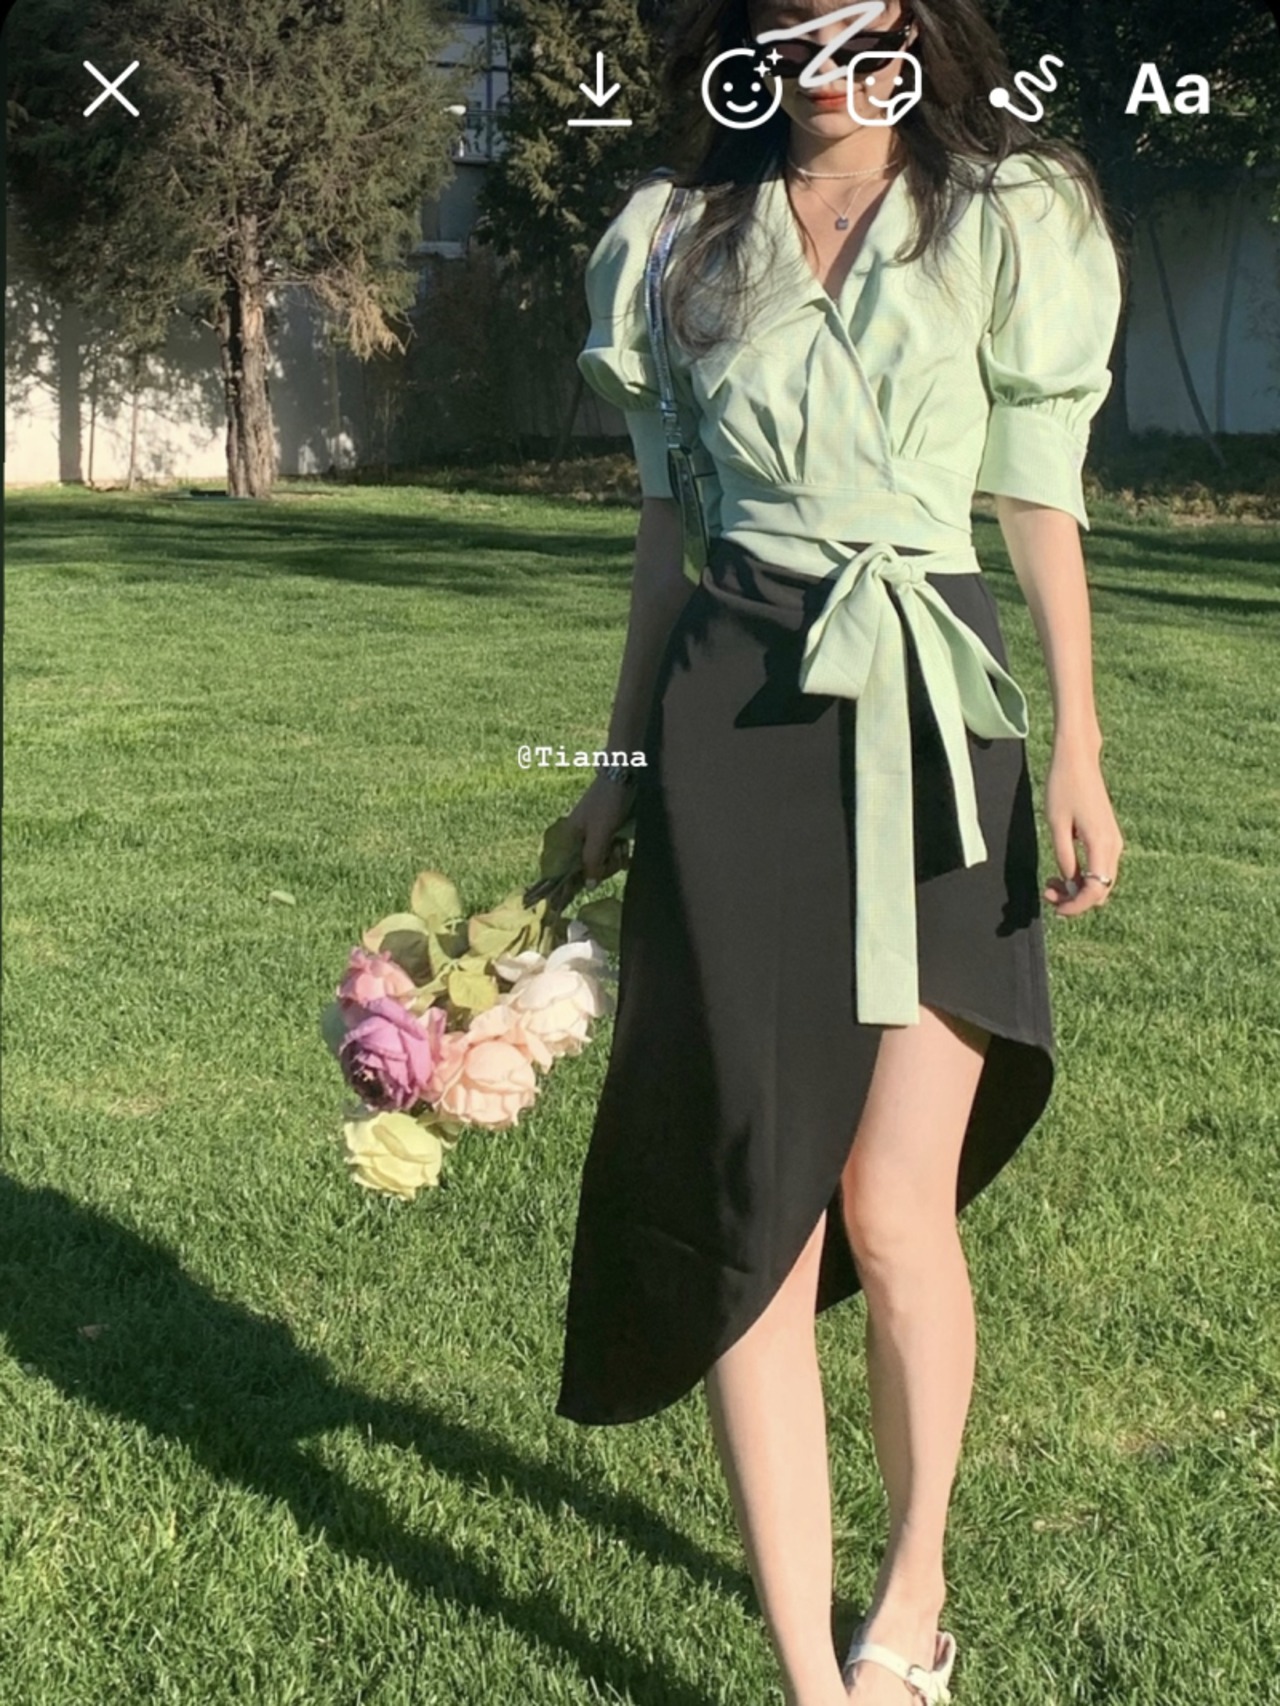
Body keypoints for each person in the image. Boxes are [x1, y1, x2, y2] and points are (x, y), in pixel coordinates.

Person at [557, 2, 1124, 1702]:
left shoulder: (1007, 216)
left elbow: (1037, 493)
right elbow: (667, 531)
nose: (820, 57)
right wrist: (612, 771)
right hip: (735, 721)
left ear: (910, 28)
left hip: (939, 713)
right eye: (784, 23)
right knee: (764, 1207)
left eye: (853, 20)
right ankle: (816, 1674)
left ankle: (911, 1591)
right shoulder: (678, 237)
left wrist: (1080, 742)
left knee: (890, 1202)